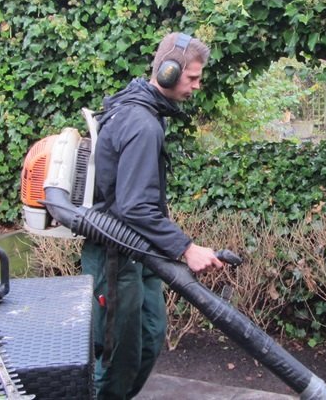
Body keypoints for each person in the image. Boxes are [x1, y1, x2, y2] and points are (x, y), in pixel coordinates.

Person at [81, 32, 224, 399]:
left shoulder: (146, 113)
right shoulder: (142, 123)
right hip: (114, 257)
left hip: (138, 254)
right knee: (118, 357)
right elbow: (134, 207)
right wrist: (186, 248)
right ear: (167, 72)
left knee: (150, 336)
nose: (197, 85)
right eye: (192, 77)